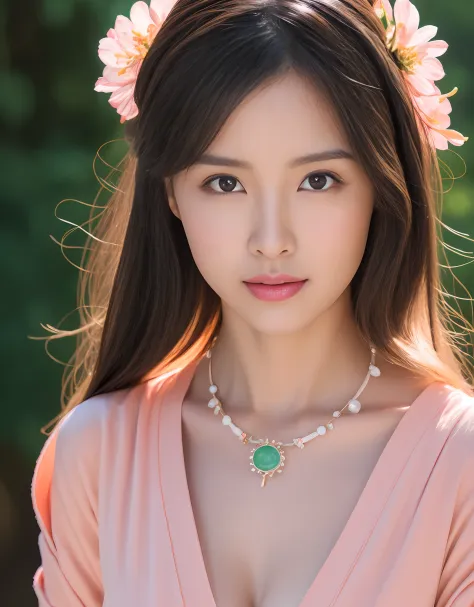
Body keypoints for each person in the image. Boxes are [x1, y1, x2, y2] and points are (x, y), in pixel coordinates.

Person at [31, 0, 474, 605]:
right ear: (172, 196)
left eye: (318, 180)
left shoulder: (458, 465)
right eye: (225, 183)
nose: (271, 240)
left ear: (382, 183)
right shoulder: (101, 452)